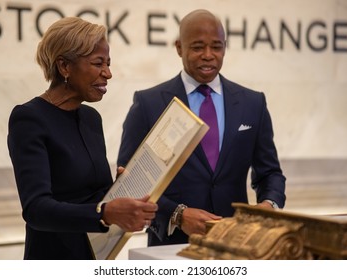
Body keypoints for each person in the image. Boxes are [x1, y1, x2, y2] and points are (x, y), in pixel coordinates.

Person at [117, 9, 286, 246]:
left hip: (236, 242)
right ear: (179, 48)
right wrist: (177, 214)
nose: (208, 55)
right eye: (197, 47)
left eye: (216, 47)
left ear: (225, 47)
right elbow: (131, 182)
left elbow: (270, 174)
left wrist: (268, 205)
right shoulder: (149, 103)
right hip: (170, 245)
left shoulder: (252, 103)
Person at [7, 17, 157, 260]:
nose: (108, 73)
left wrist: (119, 191)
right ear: (64, 66)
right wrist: (105, 213)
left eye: (108, 63)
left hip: (96, 255)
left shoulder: (91, 118)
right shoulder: (28, 118)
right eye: (98, 63)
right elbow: (36, 210)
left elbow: (92, 194)